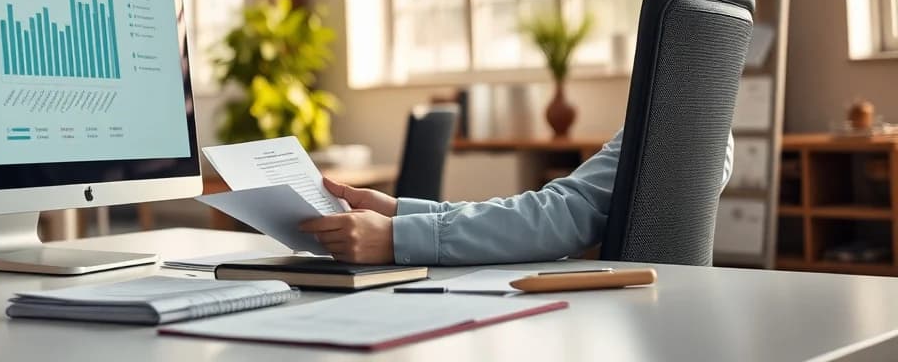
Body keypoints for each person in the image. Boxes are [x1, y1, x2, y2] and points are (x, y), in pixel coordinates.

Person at [298, 128, 733, 265]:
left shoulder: (667, 126)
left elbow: (564, 214)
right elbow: (560, 209)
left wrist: (396, 238)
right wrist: (402, 214)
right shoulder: (708, 123)